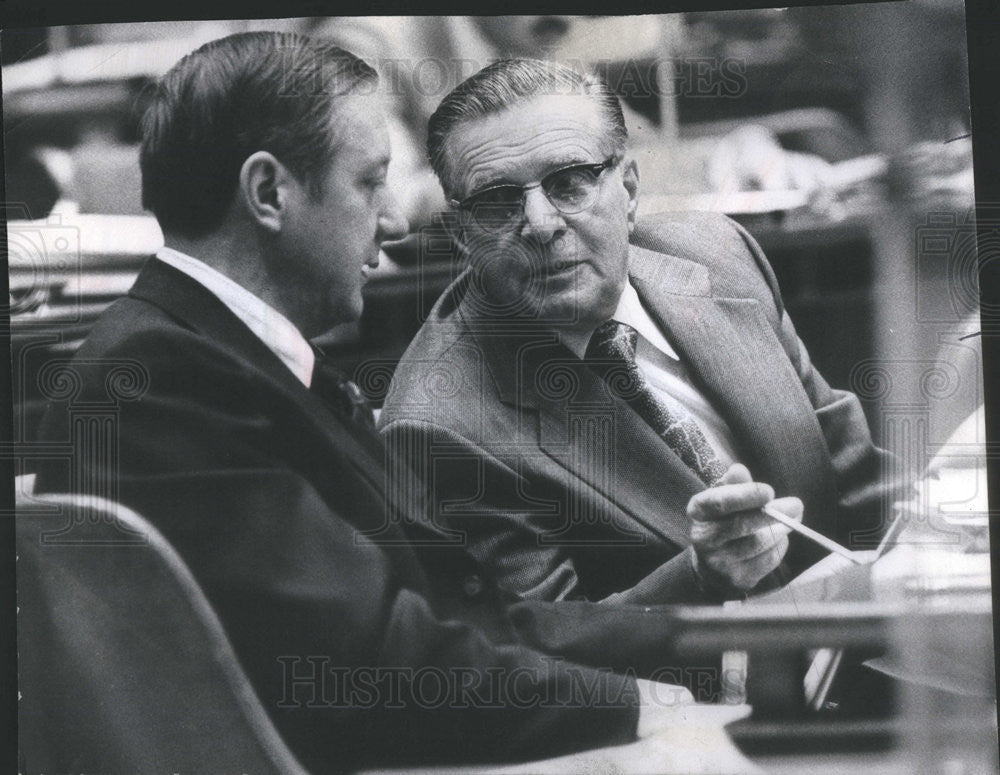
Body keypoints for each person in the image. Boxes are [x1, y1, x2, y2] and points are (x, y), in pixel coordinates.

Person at [31, 33, 702, 773]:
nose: (393, 222)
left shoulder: (222, 359)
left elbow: (471, 619)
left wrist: (732, 652)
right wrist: (664, 707)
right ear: (267, 193)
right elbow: (385, 675)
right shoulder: (157, 383)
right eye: (369, 183)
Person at [379, 58, 906, 605]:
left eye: (569, 182)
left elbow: (857, 480)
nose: (540, 224)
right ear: (464, 236)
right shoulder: (439, 426)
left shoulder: (718, 254)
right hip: (704, 686)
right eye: (496, 202)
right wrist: (700, 576)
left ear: (628, 190)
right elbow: (544, 650)